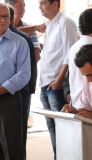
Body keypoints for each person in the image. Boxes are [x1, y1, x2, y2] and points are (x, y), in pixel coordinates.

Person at [38, 0, 78, 159]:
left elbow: (71, 53)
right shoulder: (49, 24)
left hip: (56, 84)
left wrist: (60, 80)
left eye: (43, 3)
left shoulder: (66, 23)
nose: (40, 7)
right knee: (52, 128)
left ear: (55, 4)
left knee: (63, 128)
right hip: (44, 83)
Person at [0, 3, 30, 160]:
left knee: (12, 150)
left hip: (8, 100)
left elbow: (24, 74)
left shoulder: (20, 42)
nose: (3, 20)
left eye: (6, 16)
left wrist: (2, 88)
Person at [8, 6, 37, 160]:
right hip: (19, 94)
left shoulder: (21, 39)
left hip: (17, 95)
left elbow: (26, 71)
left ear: (9, 18)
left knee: (15, 141)